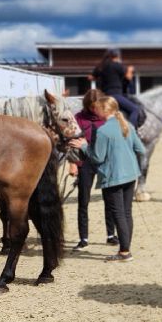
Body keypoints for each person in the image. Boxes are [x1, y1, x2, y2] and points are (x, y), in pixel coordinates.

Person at [70, 96, 146, 262]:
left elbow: (97, 157)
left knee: (119, 213)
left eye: (97, 108)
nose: (95, 111)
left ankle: (125, 252)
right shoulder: (127, 125)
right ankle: (125, 248)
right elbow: (140, 149)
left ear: (105, 110)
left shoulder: (103, 131)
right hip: (131, 174)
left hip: (113, 177)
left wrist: (83, 145)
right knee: (127, 213)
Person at [71, 88, 116, 249]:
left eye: (96, 106)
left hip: (105, 162)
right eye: (90, 106)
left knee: (110, 199)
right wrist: (73, 164)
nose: (93, 110)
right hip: (85, 162)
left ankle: (111, 235)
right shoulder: (78, 118)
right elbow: (73, 142)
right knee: (83, 201)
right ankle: (83, 238)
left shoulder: (107, 118)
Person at [91, 48, 146, 129]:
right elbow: (128, 77)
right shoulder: (117, 66)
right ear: (117, 56)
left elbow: (91, 78)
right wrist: (130, 70)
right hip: (115, 95)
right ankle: (130, 131)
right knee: (135, 109)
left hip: (104, 95)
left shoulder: (101, 66)